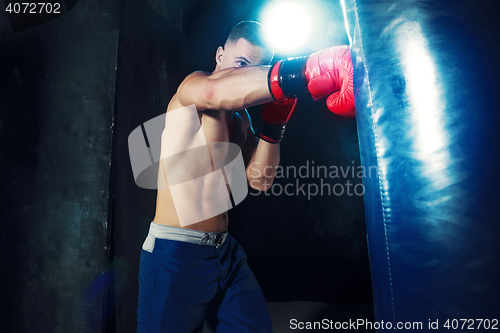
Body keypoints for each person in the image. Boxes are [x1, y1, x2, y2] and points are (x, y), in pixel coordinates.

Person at [137, 21, 354, 333]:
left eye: (257, 69)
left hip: (225, 253)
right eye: (241, 64)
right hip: (177, 254)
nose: (245, 76)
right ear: (220, 55)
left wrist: (273, 127)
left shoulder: (242, 119)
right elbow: (217, 91)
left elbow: (260, 179)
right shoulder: (193, 90)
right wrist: (305, 70)